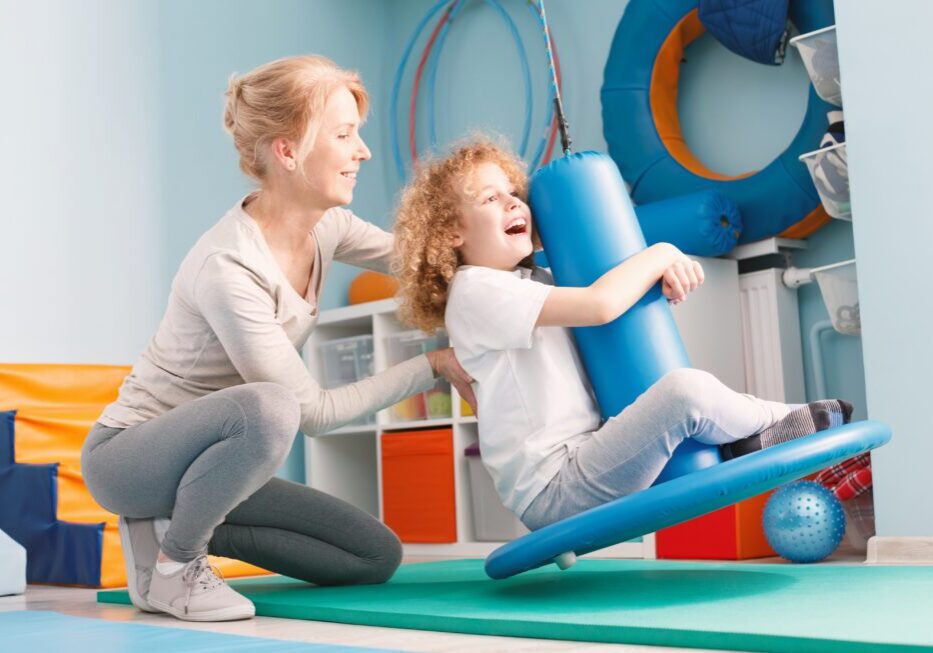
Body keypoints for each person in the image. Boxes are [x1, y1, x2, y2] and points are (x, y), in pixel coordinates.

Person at [80, 55, 475, 623]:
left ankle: (175, 527)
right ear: (288, 152)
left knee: (373, 555)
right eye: (344, 135)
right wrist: (431, 365)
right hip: (129, 458)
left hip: (208, 468)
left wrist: (511, 246)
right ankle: (174, 566)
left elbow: (421, 262)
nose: (361, 150)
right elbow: (309, 413)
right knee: (271, 408)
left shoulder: (325, 228)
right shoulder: (230, 267)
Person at [392, 136, 852, 532]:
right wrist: (663, 252)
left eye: (514, 192)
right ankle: (788, 422)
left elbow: (606, 310)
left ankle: (748, 439)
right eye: (491, 199)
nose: (514, 202)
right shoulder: (475, 291)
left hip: (587, 457)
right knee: (683, 391)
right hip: (556, 486)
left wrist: (657, 281)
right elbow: (599, 304)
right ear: (451, 230)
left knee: (682, 394)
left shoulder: (534, 284)